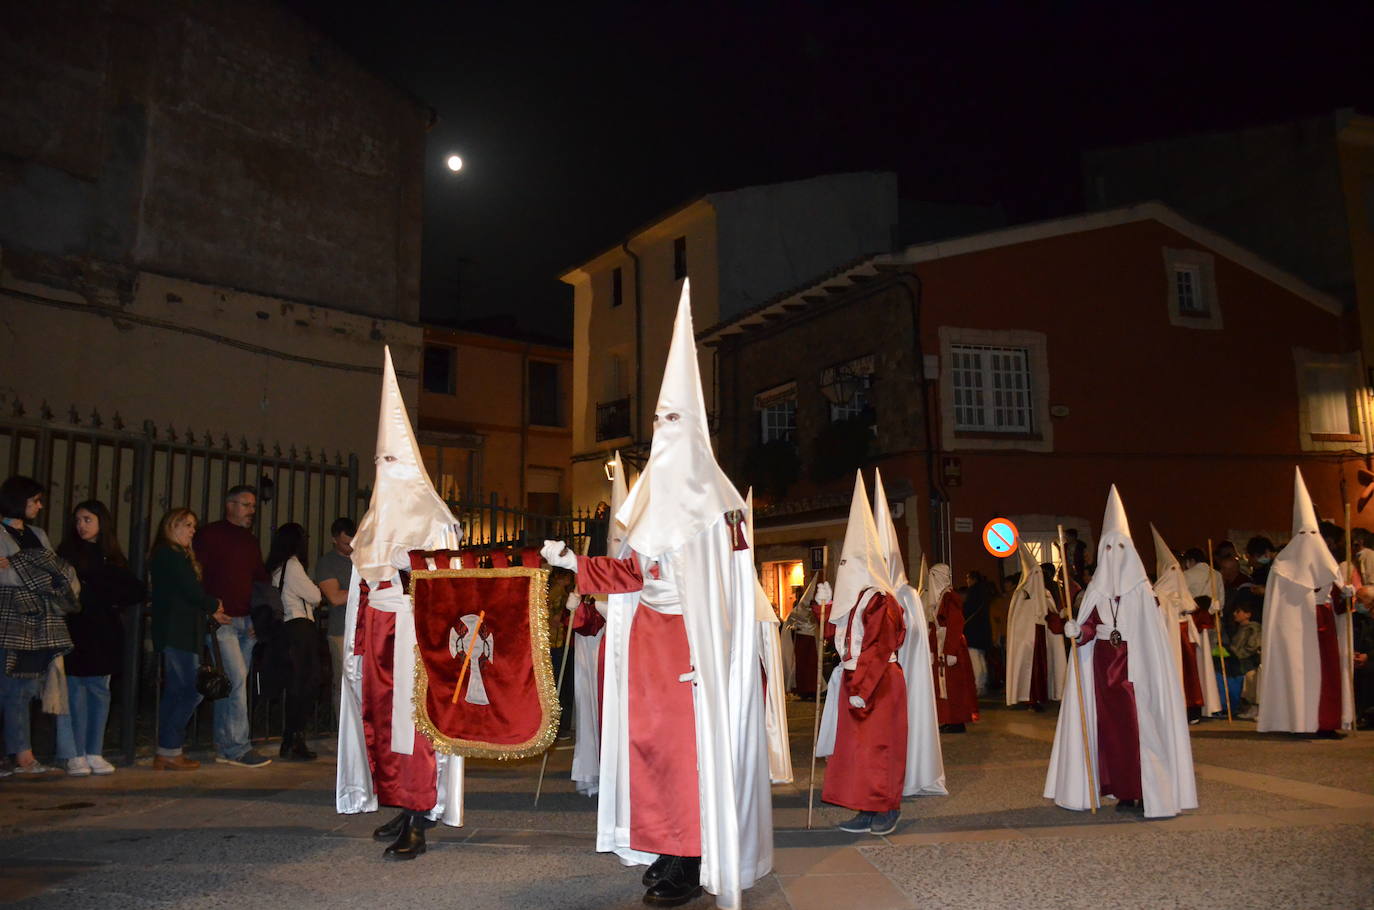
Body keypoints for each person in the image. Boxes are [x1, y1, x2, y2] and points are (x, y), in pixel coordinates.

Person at [540, 281, 776, 909]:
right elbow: (634, 576)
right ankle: (664, 848)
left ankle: (691, 855)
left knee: (688, 756)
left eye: (673, 420)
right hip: (647, 645)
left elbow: (731, 588)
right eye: (657, 421)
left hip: (692, 652)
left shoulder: (720, 502)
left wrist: (717, 649)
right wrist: (577, 563)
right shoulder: (646, 500)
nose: (662, 429)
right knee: (649, 751)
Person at [336, 346, 465, 861]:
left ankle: (419, 814)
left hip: (415, 632)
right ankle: (397, 801)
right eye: (378, 460)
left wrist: (411, 575)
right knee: (383, 727)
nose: (383, 467)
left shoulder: (435, 518)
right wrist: (358, 640)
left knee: (415, 729)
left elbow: (448, 581)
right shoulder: (370, 520)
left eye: (392, 459)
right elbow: (360, 587)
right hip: (380, 633)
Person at [1044, 486, 1196, 818]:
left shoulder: (1143, 593)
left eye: (1120, 547)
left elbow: (1152, 637)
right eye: (1107, 547)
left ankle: (1144, 790)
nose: (1113, 554)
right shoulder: (1096, 592)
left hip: (1135, 671)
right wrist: (1077, 630)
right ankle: (1119, 789)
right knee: (1110, 730)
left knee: (1140, 730)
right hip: (1102, 669)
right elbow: (1089, 627)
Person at [813, 471, 907, 835]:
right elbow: (842, 633)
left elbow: (878, 647)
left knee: (881, 748)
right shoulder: (857, 599)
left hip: (877, 682)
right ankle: (865, 806)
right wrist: (824, 608)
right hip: (859, 681)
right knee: (857, 752)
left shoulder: (881, 600)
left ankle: (886, 808)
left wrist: (862, 688)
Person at [1257, 468, 1355, 738]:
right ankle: (1298, 720)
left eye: (1315, 534)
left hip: (1324, 628)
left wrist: (1345, 595)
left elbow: (1338, 600)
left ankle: (1326, 722)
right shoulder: (1282, 565)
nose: (1310, 541)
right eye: (1305, 533)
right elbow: (1279, 610)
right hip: (1295, 633)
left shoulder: (1328, 562)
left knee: (1327, 676)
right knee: (1298, 672)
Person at [53, 501, 145, 776]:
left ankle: (94, 750)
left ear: (101, 522)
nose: (81, 525)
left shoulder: (111, 556)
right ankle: (74, 753)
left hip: (104, 633)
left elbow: (134, 590)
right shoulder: (68, 553)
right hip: (75, 631)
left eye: (87, 519)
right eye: (78, 520)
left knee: (99, 692)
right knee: (74, 693)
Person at [870, 468, 944, 799]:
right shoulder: (868, 595)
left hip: (899, 675)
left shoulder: (907, 596)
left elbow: (911, 636)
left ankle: (906, 775)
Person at [0, 476, 74, 777]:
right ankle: (18, 754)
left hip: (37, 619)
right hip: (8, 616)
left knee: (25, 686)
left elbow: (56, 573)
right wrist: (28, 571)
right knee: (8, 684)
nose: (39, 506)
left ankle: (23, 754)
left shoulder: (37, 534)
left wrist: (16, 565)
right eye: (35, 500)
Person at [193, 485, 271, 767]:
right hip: (222, 622)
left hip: (245, 621)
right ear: (230, 505)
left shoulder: (250, 541)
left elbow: (259, 579)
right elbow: (196, 574)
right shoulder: (210, 535)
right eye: (246, 505)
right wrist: (210, 609)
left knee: (233, 684)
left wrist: (258, 618)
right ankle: (238, 747)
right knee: (236, 680)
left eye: (253, 505)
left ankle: (225, 745)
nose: (252, 510)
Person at [149, 509, 227, 771]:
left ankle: (166, 750)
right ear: (172, 526)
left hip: (182, 632)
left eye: (194, 525)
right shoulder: (169, 554)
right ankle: (170, 748)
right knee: (192, 690)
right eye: (188, 525)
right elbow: (190, 590)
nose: (193, 530)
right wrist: (213, 603)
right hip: (177, 632)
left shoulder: (174, 555)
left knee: (176, 690)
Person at [265, 523, 322, 761]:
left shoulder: (275, 567)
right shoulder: (293, 565)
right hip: (301, 628)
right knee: (305, 685)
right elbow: (316, 596)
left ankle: (290, 739)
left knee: (295, 685)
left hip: (286, 629)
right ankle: (294, 740)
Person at [1153, 530, 1221, 724]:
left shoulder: (1181, 588)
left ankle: (1193, 709)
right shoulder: (1158, 592)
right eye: (1171, 569)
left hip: (1186, 638)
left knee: (1191, 675)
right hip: (1169, 641)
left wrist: (1208, 608)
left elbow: (1192, 609)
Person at [1004, 544, 1065, 712]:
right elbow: (1020, 620)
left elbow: (1049, 613)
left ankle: (1039, 697)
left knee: (1040, 669)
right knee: (1028, 669)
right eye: (1035, 574)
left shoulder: (1044, 593)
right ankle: (1029, 698)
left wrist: (1058, 615)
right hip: (1027, 640)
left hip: (1041, 637)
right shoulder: (1021, 595)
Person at [923, 564, 977, 733]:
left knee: (954, 686)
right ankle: (948, 718)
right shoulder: (941, 598)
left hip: (950, 647)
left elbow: (955, 624)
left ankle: (957, 720)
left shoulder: (949, 598)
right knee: (944, 686)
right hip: (941, 645)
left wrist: (950, 651)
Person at [313, 517, 355, 718]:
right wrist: (364, 589)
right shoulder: (327, 563)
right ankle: (342, 729)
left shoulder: (361, 559)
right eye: (346, 543)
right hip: (341, 630)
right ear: (334, 539)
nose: (350, 548)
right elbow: (335, 597)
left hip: (364, 627)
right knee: (343, 682)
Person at [1215, 602, 1259, 719]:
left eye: (1238, 611)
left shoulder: (1253, 628)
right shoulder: (1238, 629)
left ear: (1248, 614)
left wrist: (1233, 653)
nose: (1235, 614)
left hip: (1245, 662)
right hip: (1235, 660)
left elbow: (1251, 647)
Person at [961, 570, 996, 695]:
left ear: (973, 579)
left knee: (975, 659)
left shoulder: (973, 592)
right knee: (980, 658)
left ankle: (978, 685)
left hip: (973, 630)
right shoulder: (985, 592)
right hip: (983, 630)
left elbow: (967, 610)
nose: (967, 581)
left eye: (968, 578)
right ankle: (983, 683)